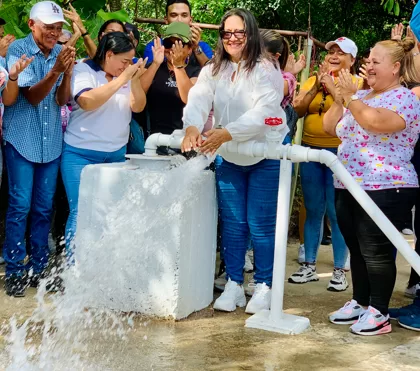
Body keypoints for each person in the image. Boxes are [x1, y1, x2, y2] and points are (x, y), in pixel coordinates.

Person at [181, 8, 286, 314]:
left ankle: (264, 285)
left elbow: (265, 114)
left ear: (251, 34)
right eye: (226, 33)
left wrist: (226, 132)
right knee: (233, 223)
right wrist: (192, 126)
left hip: (263, 154)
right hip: (228, 155)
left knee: (260, 224)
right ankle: (234, 284)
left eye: (239, 32)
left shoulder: (266, 69)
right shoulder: (215, 68)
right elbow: (199, 97)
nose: (232, 39)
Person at [324, 38, 420, 335]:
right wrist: (341, 99)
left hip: (386, 186)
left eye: (376, 61)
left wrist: (351, 98)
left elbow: (376, 123)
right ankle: (360, 302)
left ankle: (379, 311)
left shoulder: (405, 99)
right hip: (348, 185)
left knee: (376, 251)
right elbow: (330, 128)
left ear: (395, 68)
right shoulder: (361, 95)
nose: (369, 65)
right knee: (356, 247)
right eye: (368, 59)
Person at [2, 1, 75, 297]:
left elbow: (61, 100)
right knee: (20, 206)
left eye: (58, 28)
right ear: (32, 24)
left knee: (45, 208)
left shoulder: (60, 51)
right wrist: (57, 70)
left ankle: (40, 267)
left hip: (50, 144)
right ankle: (16, 270)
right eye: (48, 27)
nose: (53, 33)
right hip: (22, 140)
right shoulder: (18, 50)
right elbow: (31, 96)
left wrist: (67, 73)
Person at [61, 32, 146, 259]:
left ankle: (102, 267)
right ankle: (74, 269)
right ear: (109, 54)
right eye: (124, 61)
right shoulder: (84, 69)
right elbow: (87, 102)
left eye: (130, 61)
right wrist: (122, 79)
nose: (127, 66)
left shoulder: (126, 74)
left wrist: (134, 80)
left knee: (110, 214)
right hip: (80, 154)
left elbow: (137, 107)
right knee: (81, 212)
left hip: (116, 155)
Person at [288, 37, 361, 292]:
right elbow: (297, 110)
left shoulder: (356, 83)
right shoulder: (314, 79)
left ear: (352, 60)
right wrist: (315, 87)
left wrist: (331, 86)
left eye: (341, 52)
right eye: (331, 50)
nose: (334, 55)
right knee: (313, 209)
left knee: (336, 211)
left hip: (338, 154)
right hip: (310, 151)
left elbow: (350, 110)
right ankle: (309, 265)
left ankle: (339, 270)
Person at [140, 22, 200, 140]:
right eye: (169, 43)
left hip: (184, 140)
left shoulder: (196, 71)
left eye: (179, 44)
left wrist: (178, 66)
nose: (173, 48)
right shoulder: (154, 67)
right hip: (153, 140)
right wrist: (156, 63)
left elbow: (189, 98)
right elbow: (137, 95)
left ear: (189, 49)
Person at [143, 0, 213, 68]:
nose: (179, 20)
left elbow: (210, 75)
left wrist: (196, 48)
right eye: (174, 15)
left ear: (190, 20)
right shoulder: (154, 47)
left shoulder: (203, 47)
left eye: (184, 15)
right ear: (166, 19)